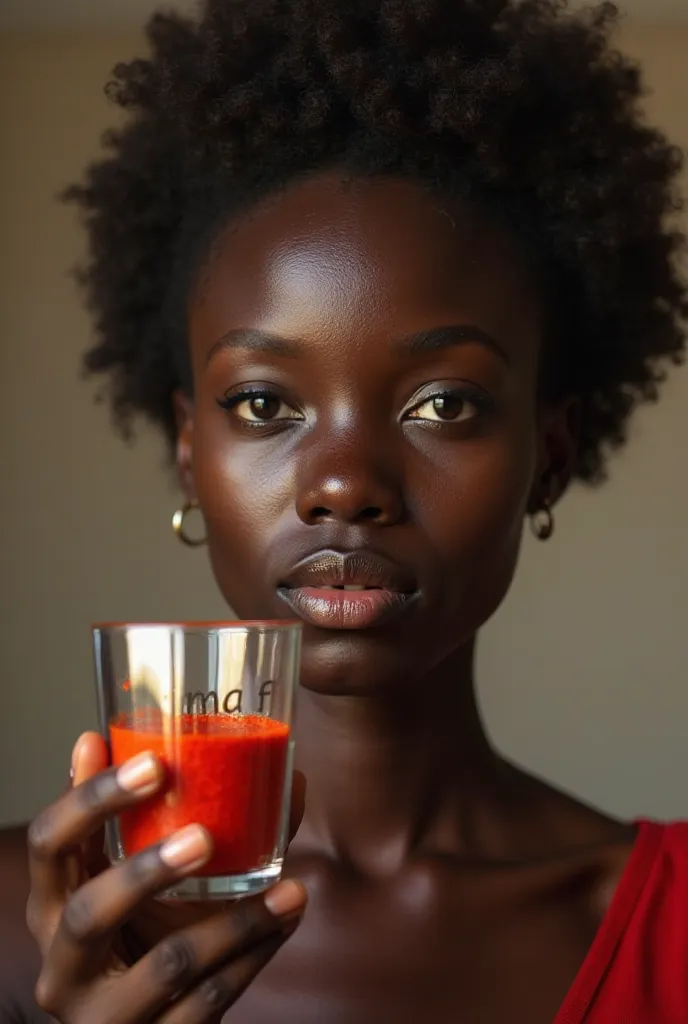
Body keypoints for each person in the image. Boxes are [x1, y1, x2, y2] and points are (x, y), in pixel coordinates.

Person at [1, 0, 687, 1020]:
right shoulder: (25, 929)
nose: (343, 484)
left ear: (548, 455)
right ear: (191, 451)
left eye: (442, 404)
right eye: (264, 403)